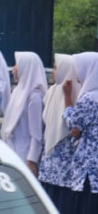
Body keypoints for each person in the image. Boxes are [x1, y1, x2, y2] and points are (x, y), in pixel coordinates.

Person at [38, 54, 78, 210]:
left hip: (65, 169)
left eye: (56, 67)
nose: (53, 71)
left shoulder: (76, 93)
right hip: (48, 165)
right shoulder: (52, 91)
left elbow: (74, 127)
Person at [62, 51, 98, 214]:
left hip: (89, 170)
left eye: (79, 70)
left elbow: (74, 127)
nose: (76, 77)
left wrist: (68, 100)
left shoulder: (89, 99)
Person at [2, 51, 46, 175]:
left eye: (17, 65)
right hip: (12, 151)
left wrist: (32, 160)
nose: (13, 69)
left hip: (24, 156)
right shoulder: (18, 91)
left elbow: (36, 133)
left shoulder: (34, 96)